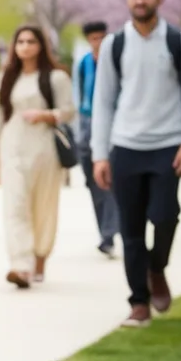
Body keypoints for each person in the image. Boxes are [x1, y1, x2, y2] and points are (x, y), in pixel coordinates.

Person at [90, 0, 181, 328]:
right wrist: (100, 154)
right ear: (127, 0)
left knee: (165, 215)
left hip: (168, 146)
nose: (140, 1)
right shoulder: (115, 44)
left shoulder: (180, 41)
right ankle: (138, 302)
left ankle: (157, 268)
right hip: (125, 146)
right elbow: (103, 101)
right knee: (132, 228)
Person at [0, 26, 75, 288]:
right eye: (20, 41)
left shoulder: (56, 77)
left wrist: (45, 115)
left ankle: (40, 257)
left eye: (30, 41)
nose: (25, 46)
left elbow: (68, 111)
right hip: (12, 146)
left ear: (41, 45)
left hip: (45, 149)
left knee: (43, 206)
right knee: (15, 206)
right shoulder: (6, 76)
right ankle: (20, 265)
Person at [73, 21, 119, 257]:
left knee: (109, 180)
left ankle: (108, 234)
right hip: (87, 125)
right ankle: (105, 229)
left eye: (101, 37)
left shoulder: (115, 61)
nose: (98, 42)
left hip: (112, 125)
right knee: (93, 182)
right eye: (93, 38)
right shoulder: (84, 63)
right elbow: (80, 95)